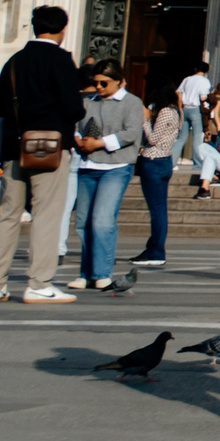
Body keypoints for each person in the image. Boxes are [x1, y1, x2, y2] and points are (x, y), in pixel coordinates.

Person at [0, 5, 85, 304]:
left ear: (35, 27)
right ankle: (39, 283)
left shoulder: (14, 61)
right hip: (49, 147)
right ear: (63, 29)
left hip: (14, 146)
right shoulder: (60, 60)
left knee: (8, 214)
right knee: (46, 214)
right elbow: (74, 107)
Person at [67, 62, 145, 288]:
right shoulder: (88, 101)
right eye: (96, 83)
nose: (99, 87)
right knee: (83, 221)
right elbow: (75, 126)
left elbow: (131, 133)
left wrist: (100, 143)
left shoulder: (131, 102)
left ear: (120, 80)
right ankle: (86, 273)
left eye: (104, 83)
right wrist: (78, 140)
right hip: (88, 165)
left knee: (102, 220)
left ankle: (102, 272)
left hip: (116, 166)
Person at [134, 76, 183, 268]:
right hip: (164, 160)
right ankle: (153, 248)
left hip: (154, 160)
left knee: (157, 210)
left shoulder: (165, 112)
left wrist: (145, 120)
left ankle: (156, 251)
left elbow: (153, 138)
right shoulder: (176, 111)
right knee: (159, 209)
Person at [176, 61, 212, 196]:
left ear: (195, 68)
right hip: (196, 109)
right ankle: (197, 163)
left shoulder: (187, 79)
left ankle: (173, 161)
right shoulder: (204, 82)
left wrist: (180, 107)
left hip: (185, 108)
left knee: (181, 137)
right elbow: (203, 97)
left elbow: (178, 93)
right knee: (197, 137)